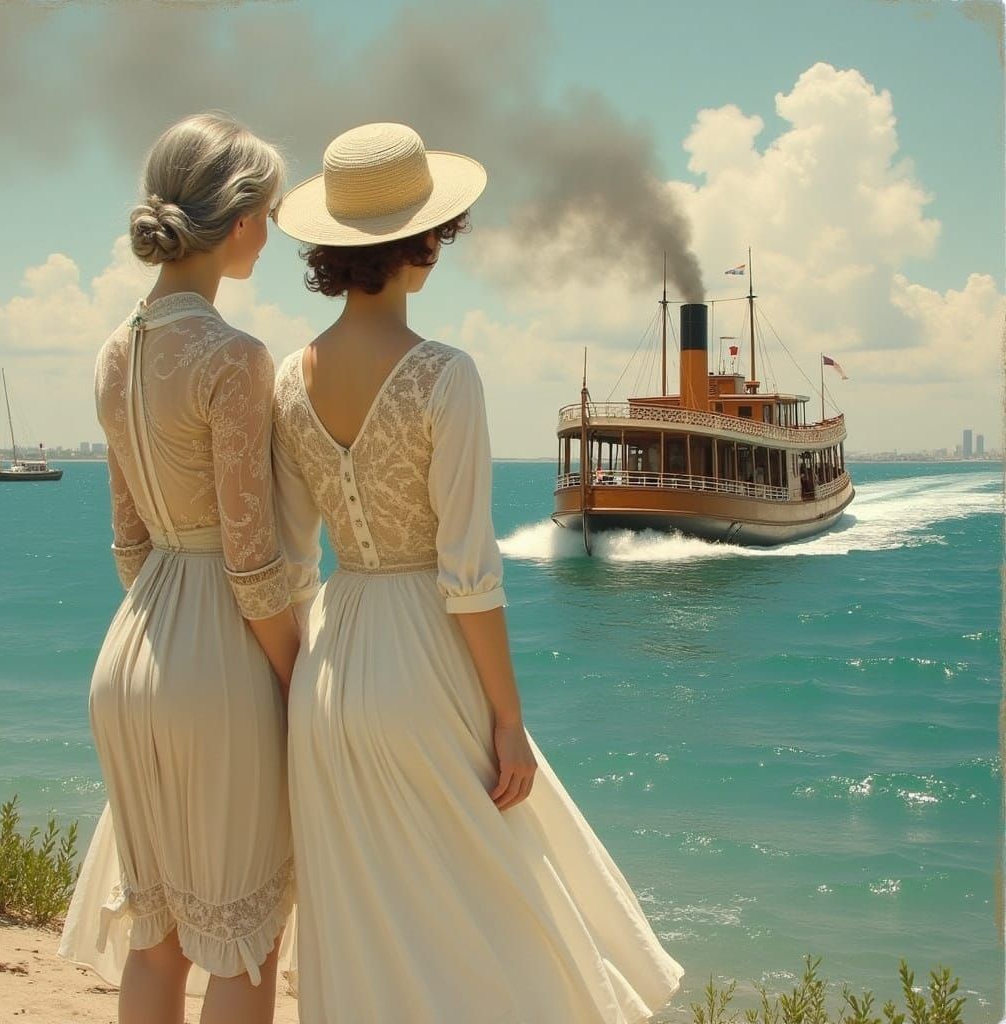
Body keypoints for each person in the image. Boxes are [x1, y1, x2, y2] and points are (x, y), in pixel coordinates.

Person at [271, 122, 683, 1023]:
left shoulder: (285, 382)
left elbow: (293, 557)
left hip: (330, 667)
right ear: (427, 240)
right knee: (488, 906)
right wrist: (509, 719)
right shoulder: (443, 375)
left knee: (366, 914)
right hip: (423, 660)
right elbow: (470, 570)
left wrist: (299, 683)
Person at [59, 113, 299, 1024]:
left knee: (154, 942)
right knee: (245, 947)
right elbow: (250, 561)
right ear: (238, 220)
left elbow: (130, 542)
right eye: (268, 213)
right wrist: (297, 673)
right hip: (214, 660)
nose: (271, 234)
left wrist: (166, 623)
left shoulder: (113, 351)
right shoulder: (235, 357)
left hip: (130, 656)